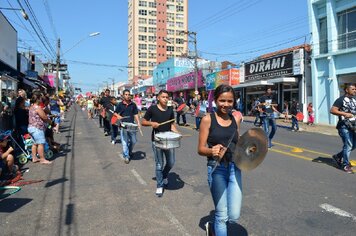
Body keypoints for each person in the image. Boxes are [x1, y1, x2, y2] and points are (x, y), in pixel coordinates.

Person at [197, 84, 242, 236]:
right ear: (215, 100)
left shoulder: (235, 119)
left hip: (235, 168)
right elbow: (200, 149)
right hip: (216, 169)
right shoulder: (207, 119)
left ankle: (212, 227)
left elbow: (237, 142)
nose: (226, 105)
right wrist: (211, 150)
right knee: (222, 215)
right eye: (222, 100)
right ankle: (216, 227)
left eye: (230, 101)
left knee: (234, 216)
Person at [142, 90, 180, 197]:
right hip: (157, 140)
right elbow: (143, 121)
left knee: (171, 162)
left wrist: (178, 134)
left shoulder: (170, 109)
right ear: (158, 98)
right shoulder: (152, 109)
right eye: (163, 97)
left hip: (168, 140)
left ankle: (163, 176)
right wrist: (151, 123)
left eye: (167, 97)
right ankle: (159, 185)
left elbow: (172, 124)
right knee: (159, 164)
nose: (165, 99)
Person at [330, 83, 356, 174]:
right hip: (343, 126)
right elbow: (332, 110)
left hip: (353, 126)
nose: (355, 91)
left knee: (354, 145)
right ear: (347, 90)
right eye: (353, 89)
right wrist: (345, 114)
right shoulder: (340, 100)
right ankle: (345, 165)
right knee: (348, 145)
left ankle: (337, 157)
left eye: (355, 89)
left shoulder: (354, 100)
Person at [114, 90, 141, 164]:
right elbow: (115, 113)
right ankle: (126, 156)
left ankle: (129, 151)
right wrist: (118, 116)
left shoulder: (133, 104)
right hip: (123, 125)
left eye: (128, 94)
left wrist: (138, 122)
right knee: (125, 141)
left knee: (134, 140)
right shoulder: (120, 104)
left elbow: (135, 114)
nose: (127, 96)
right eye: (126, 94)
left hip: (131, 125)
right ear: (123, 95)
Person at [28, 92, 52, 164]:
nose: (41, 100)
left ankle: (34, 158)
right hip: (37, 128)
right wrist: (49, 121)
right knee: (41, 143)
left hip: (31, 127)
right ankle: (42, 159)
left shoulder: (31, 107)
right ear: (38, 99)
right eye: (40, 98)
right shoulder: (38, 108)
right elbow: (44, 117)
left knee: (34, 143)